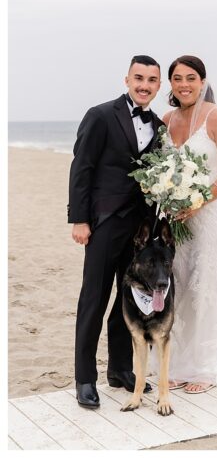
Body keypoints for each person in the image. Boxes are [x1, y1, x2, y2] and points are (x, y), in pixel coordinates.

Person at [69, 55, 164, 408]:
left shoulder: (158, 125)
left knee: (130, 300)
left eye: (152, 80)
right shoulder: (100, 115)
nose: (144, 85)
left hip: (139, 229)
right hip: (104, 223)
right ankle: (84, 379)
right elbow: (81, 168)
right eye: (138, 78)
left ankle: (121, 370)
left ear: (158, 86)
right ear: (126, 79)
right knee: (93, 299)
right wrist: (79, 220)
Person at [156, 55, 217, 393]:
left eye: (191, 78)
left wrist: (198, 201)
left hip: (211, 216)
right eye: (178, 78)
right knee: (179, 286)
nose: (184, 84)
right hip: (176, 218)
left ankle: (206, 367)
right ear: (170, 83)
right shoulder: (166, 120)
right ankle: (180, 364)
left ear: (202, 81)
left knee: (207, 287)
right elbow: (160, 169)